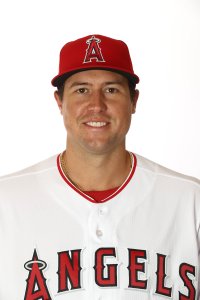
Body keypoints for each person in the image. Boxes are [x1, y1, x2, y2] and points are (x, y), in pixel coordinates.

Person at [0, 34, 199, 300]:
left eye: (111, 90)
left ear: (134, 101)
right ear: (59, 101)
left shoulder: (190, 200)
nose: (96, 105)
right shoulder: (7, 202)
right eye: (81, 90)